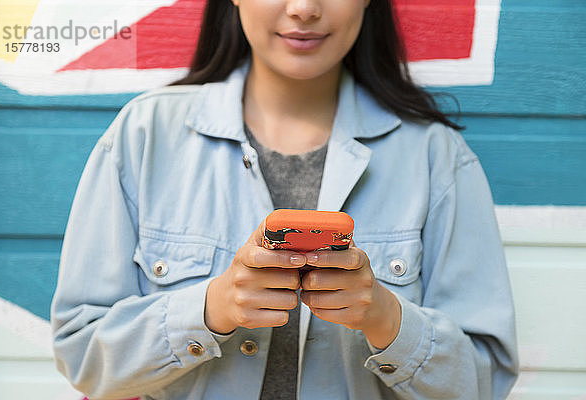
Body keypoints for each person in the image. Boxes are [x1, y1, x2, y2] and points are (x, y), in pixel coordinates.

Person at [51, 0, 519, 398]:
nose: (304, 9)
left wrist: (385, 317)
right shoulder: (145, 136)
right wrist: (213, 307)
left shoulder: (435, 156)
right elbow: (82, 353)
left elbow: (486, 378)